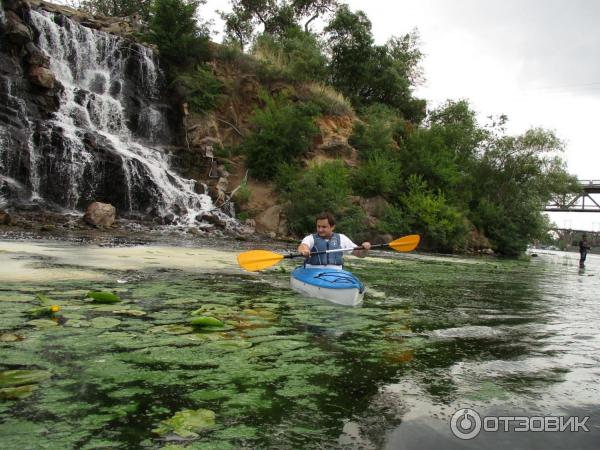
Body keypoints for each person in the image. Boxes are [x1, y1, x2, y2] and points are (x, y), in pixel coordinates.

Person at [297, 212, 371, 269]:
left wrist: (365, 249)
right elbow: (303, 246)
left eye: (324, 227)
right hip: (313, 272)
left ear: (332, 227)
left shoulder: (342, 238)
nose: (320, 229)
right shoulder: (310, 238)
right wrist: (304, 251)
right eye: (318, 226)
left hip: (336, 273)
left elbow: (360, 254)